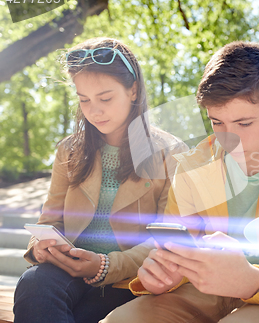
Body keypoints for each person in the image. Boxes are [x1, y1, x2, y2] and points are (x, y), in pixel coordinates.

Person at [101, 41, 259, 323]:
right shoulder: (192, 166)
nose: (229, 139)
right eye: (217, 122)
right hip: (202, 291)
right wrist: (163, 276)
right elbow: (173, 250)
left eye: (244, 123)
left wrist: (252, 280)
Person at [13, 37, 187, 323]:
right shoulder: (69, 150)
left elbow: (168, 240)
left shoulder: (171, 153)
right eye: (84, 100)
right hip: (67, 272)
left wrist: (105, 266)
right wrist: (40, 246)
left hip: (130, 280)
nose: (94, 110)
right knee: (33, 284)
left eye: (105, 98)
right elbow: (49, 221)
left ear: (133, 90)